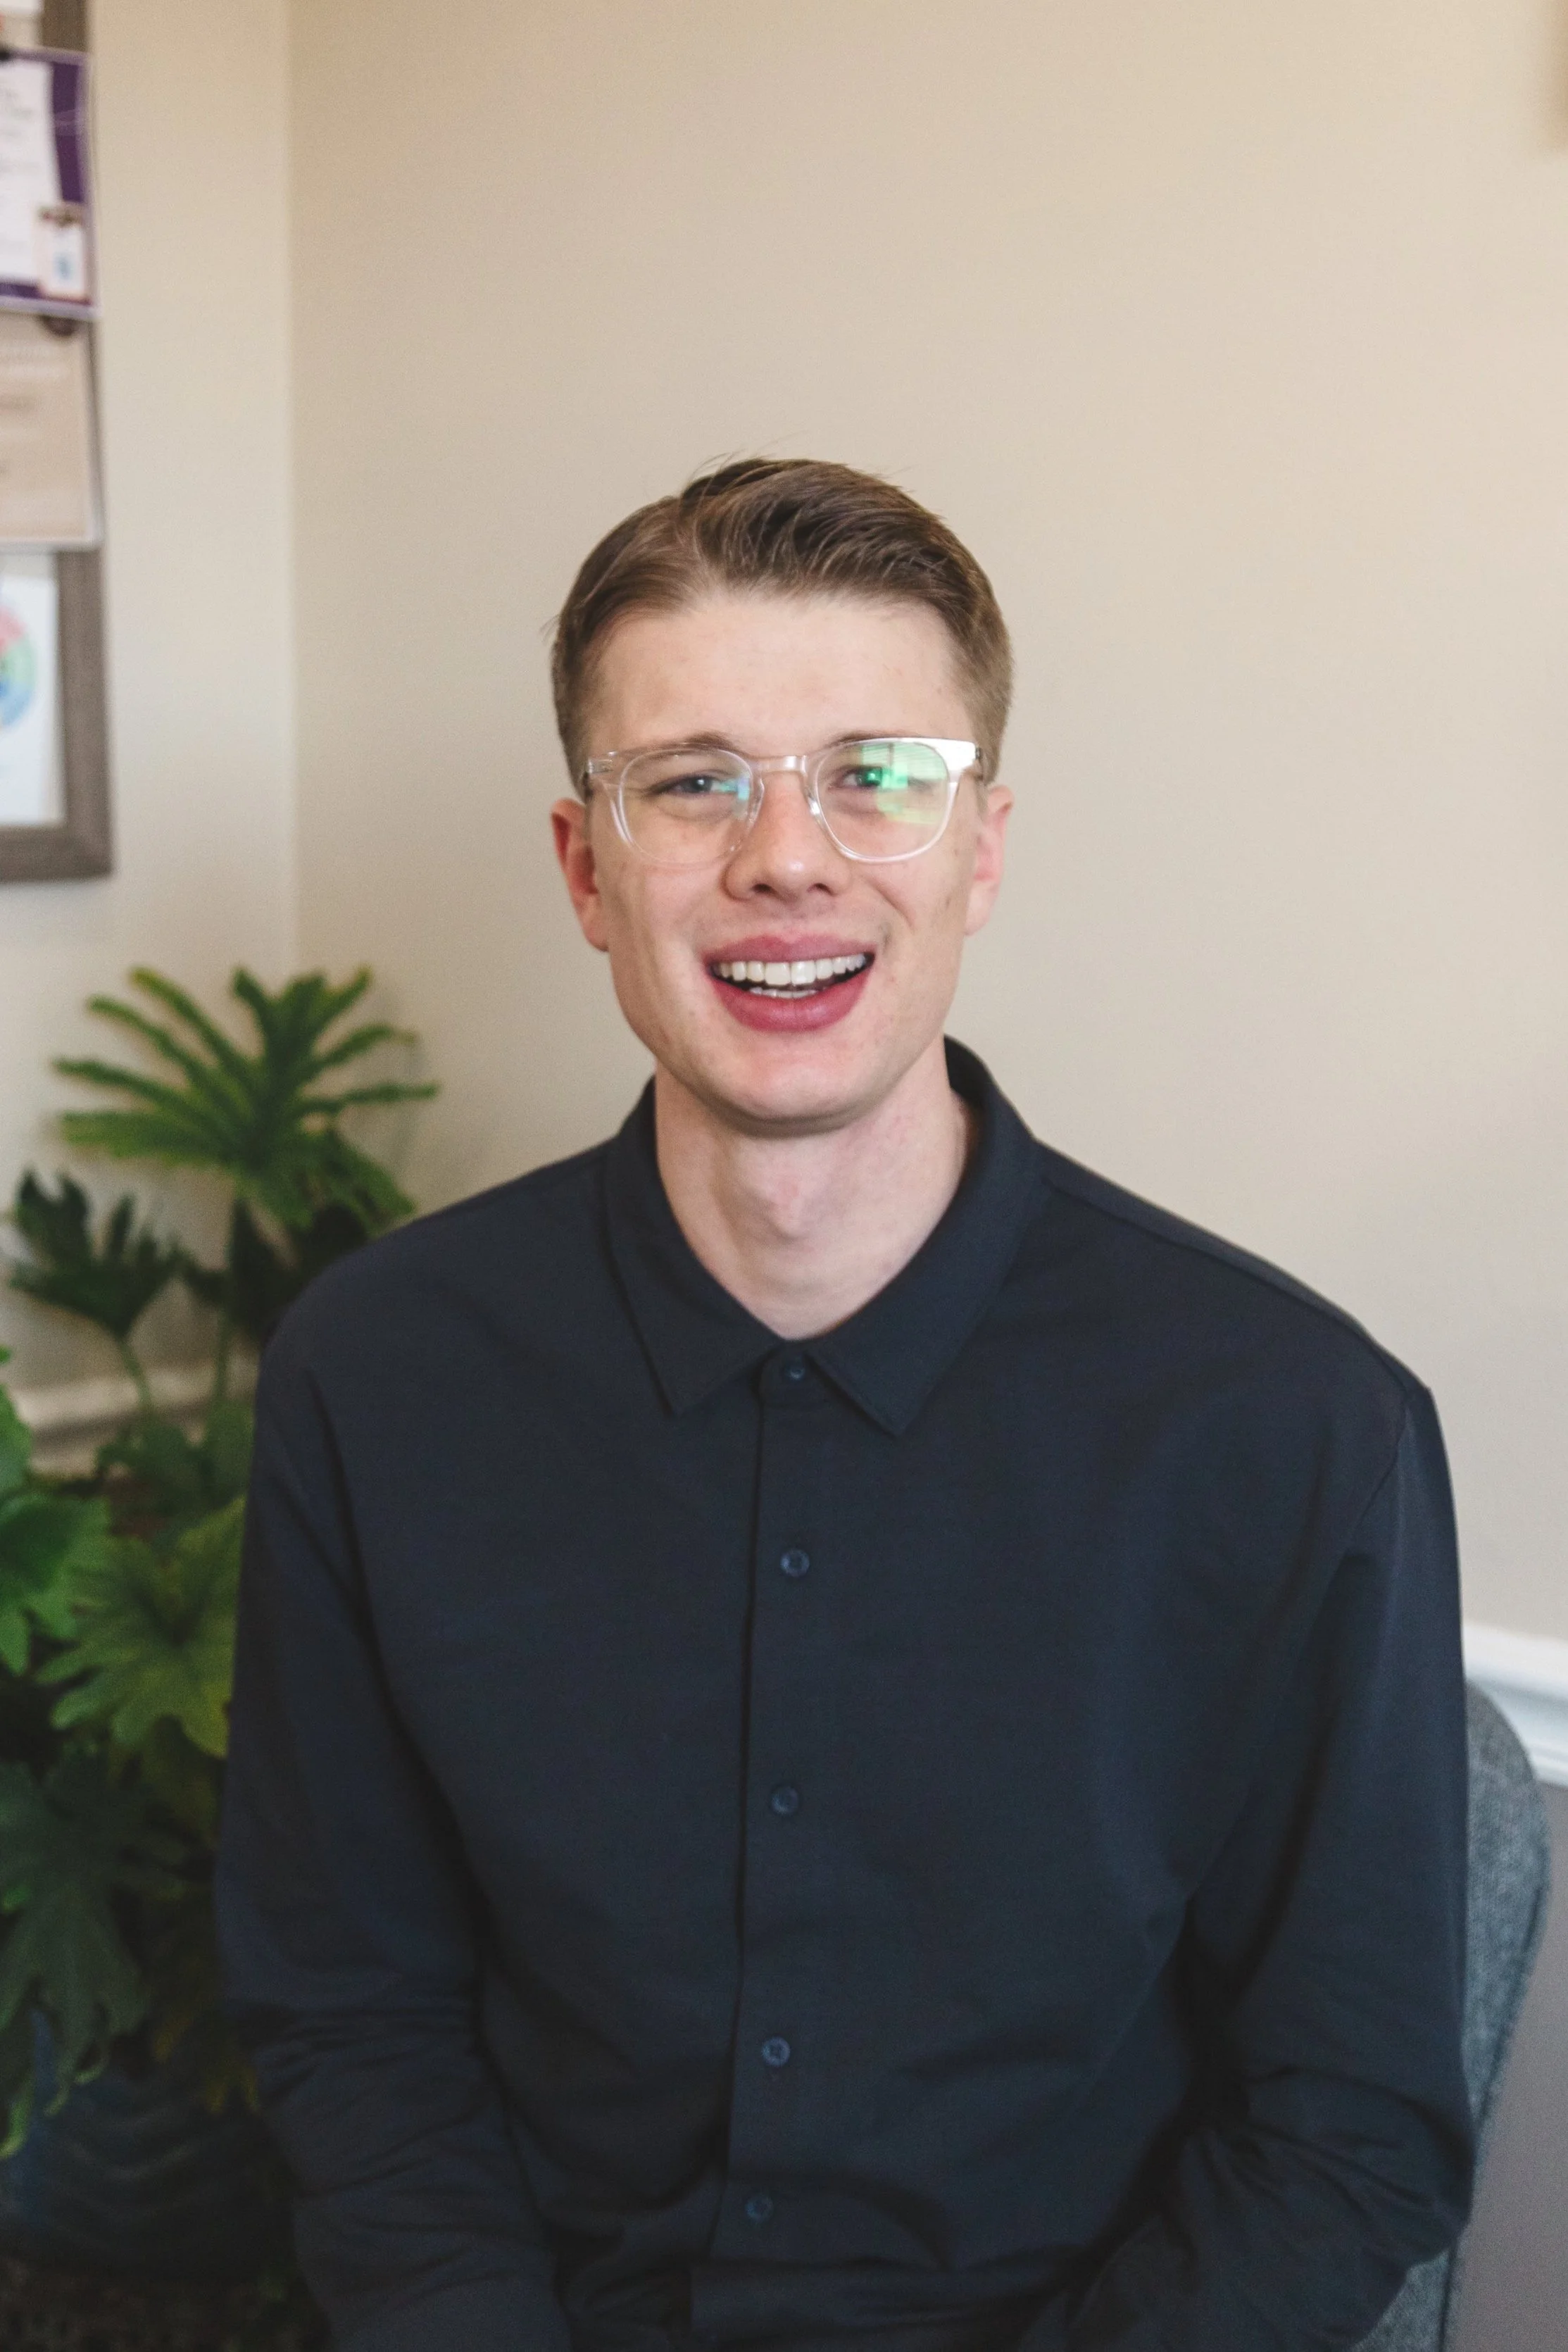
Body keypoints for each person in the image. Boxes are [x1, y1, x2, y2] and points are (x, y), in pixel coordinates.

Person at [217, 459, 1474, 2352]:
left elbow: (1345, 2126)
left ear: (981, 849)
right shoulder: (375, 1374)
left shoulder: (1295, 1426)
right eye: (696, 779)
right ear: (585, 866)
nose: (787, 854)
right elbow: (354, 2026)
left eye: (878, 773)